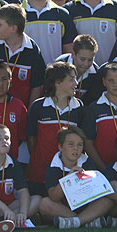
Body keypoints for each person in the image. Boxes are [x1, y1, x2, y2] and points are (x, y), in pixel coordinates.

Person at [38, 127, 116, 229]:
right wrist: (69, 178)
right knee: (44, 203)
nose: (76, 148)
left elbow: (98, 190)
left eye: (80, 145)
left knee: (107, 201)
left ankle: (76, 222)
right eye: (71, 144)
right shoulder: (54, 166)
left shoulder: (86, 162)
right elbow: (54, 197)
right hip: (64, 209)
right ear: (60, 147)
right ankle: (83, 220)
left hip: (86, 206)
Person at [26, 62, 84, 195]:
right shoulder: (39, 106)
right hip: (40, 171)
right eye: (71, 79)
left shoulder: (78, 107)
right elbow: (31, 137)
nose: (76, 83)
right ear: (58, 82)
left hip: (67, 171)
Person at [0, 3, 46, 107]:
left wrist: (30, 112)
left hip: (21, 110)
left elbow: (37, 86)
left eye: (0, 24)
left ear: (13, 28)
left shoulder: (32, 49)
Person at [22, 0, 76, 66]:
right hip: (25, 73)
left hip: (54, 76)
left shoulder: (62, 14)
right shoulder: (18, 13)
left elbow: (69, 50)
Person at [55, 34, 102, 104]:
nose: (86, 64)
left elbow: (92, 102)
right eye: (82, 59)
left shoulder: (96, 73)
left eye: (90, 60)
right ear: (73, 54)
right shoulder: (59, 66)